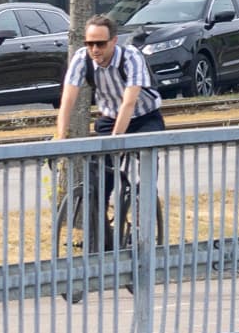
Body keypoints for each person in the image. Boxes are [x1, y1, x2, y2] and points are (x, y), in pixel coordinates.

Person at [57, 16, 166, 247]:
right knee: (100, 179)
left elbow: (129, 102)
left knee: (145, 168)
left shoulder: (131, 57)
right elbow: (68, 99)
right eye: (89, 44)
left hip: (144, 117)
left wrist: (116, 142)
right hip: (110, 117)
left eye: (100, 44)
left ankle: (141, 228)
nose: (94, 49)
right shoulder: (81, 59)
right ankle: (100, 235)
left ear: (114, 41)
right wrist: (59, 138)